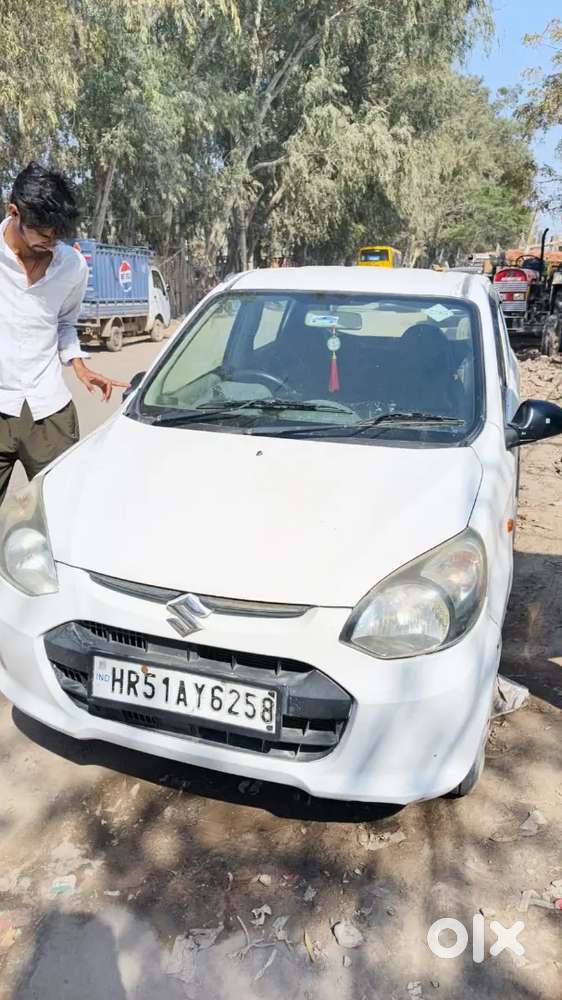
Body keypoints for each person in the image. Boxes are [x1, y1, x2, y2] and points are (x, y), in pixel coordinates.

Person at [0, 161, 127, 504]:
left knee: (63, 510)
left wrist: (79, 366)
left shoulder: (72, 266)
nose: (52, 245)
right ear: (14, 213)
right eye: (43, 235)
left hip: (48, 410)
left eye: (58, 236)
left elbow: (64, 323)